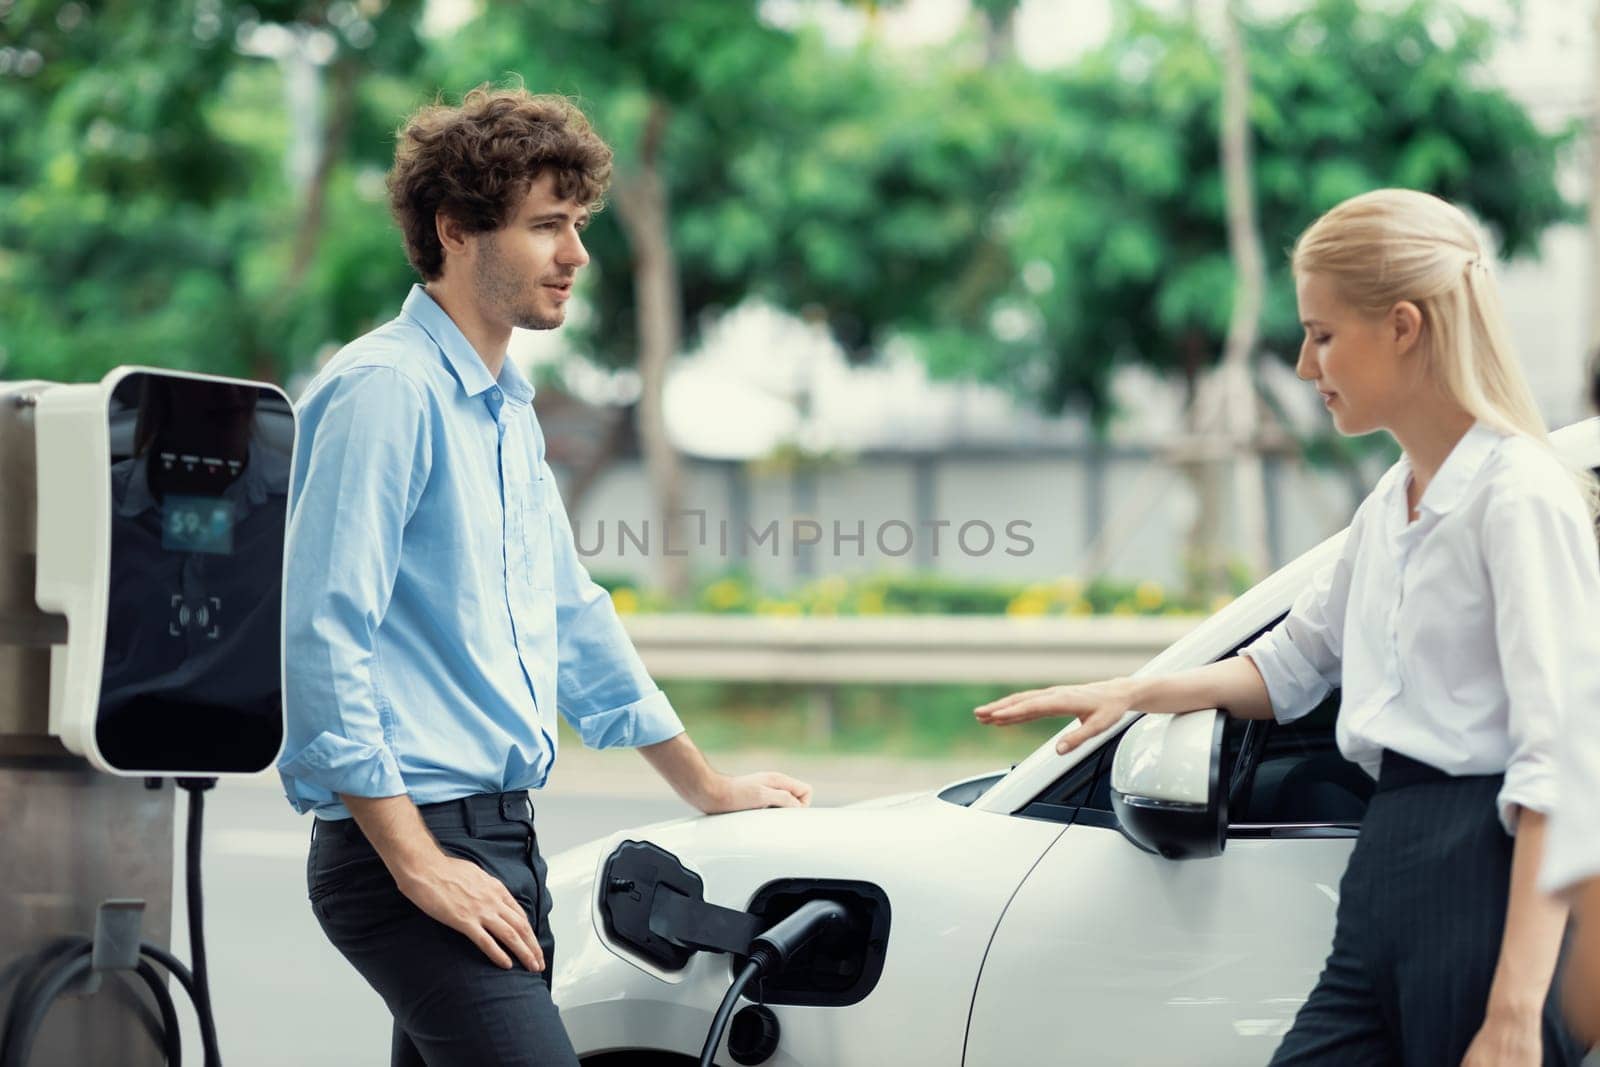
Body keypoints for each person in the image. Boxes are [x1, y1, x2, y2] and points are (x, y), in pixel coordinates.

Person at [976, 188, 1599, 1065]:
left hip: (1482, 872)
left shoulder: (1518, 496)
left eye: (1323, 333)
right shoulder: (1390, 502)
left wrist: (1515, 1011)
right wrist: (1132, 692)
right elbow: (1291, 664)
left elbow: (1566, 761)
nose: (1307, 367)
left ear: (1406, 326)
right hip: (1386, 870)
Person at [278, 85, 813, 1067]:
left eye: (577, 225)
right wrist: (418, 863)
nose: (577, 256)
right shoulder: (384, 391)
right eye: (547, 226)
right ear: (455, 230)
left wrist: (707, 784)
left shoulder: (503, 408)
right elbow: (323, 637)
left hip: (499, 839)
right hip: (408, 849)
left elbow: (571, 615)